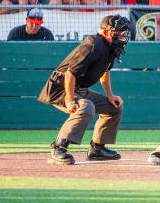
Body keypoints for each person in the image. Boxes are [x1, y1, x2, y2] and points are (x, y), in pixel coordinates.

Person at [37, 15, 131, 165]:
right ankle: (59, 147)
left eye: (124, 32)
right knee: (87, 106)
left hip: (79, 89)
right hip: (60, 88)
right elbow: (70, 74)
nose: (123, 35)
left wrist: (110, 96)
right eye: (119, 31)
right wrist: (69, 100)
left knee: (115, 107)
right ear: (106, 31)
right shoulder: (92, 44)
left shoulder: (112, 46)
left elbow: (105, 73)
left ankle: (97, 149)